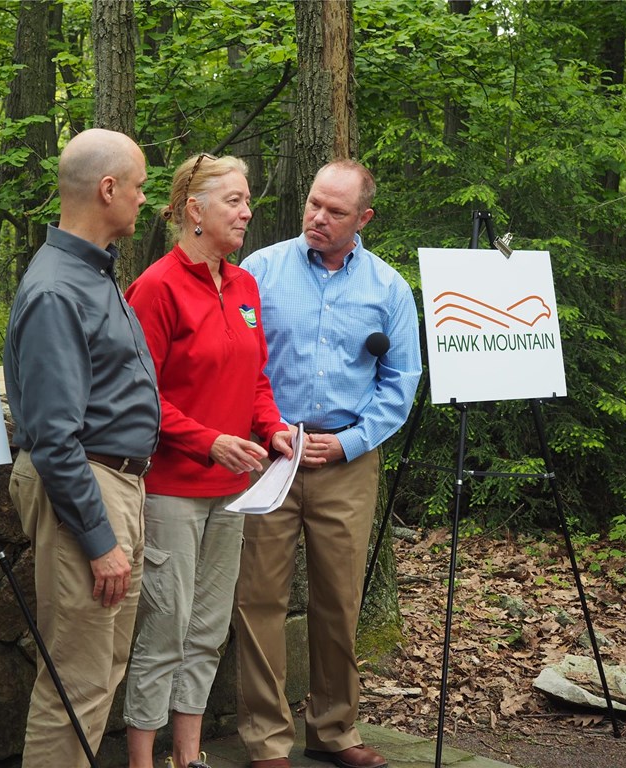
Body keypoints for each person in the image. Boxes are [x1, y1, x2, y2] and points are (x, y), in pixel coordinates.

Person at [233, 160, 422, 768]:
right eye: (314, 203)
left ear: (363, 218)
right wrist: (265, 431)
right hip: (269, 455)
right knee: (258, 598)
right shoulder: (259, 271)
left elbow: (400, 383)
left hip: (346, 459)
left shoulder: (388, 289)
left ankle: (335, 729)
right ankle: (265, 739)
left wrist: (349, 442)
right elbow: (238, 361)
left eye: (335, 211)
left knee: (339, 599)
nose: (318, 217)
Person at [122, 153, 294, 768]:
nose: (247, 212)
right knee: (164, 630)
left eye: (247, 201)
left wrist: (272, 429)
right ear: (195, 211)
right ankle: (143, 758)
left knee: (207, 629)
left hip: (235, 491)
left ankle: (188, 757)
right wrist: (206, 440)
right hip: (171, 489)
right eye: (234, 201)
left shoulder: (245, 284)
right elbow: (139, 396)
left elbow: (255, 380)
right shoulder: (156, 287)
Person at [3, 128, 161, 767]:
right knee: (78, 680)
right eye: (141, 187)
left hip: (115, 484)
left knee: (101, 671)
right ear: (108, 189)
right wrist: (99, 539)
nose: (145, 200)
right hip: (88, 491)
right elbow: (53, 437)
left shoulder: (90, 274)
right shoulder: (56, 291)